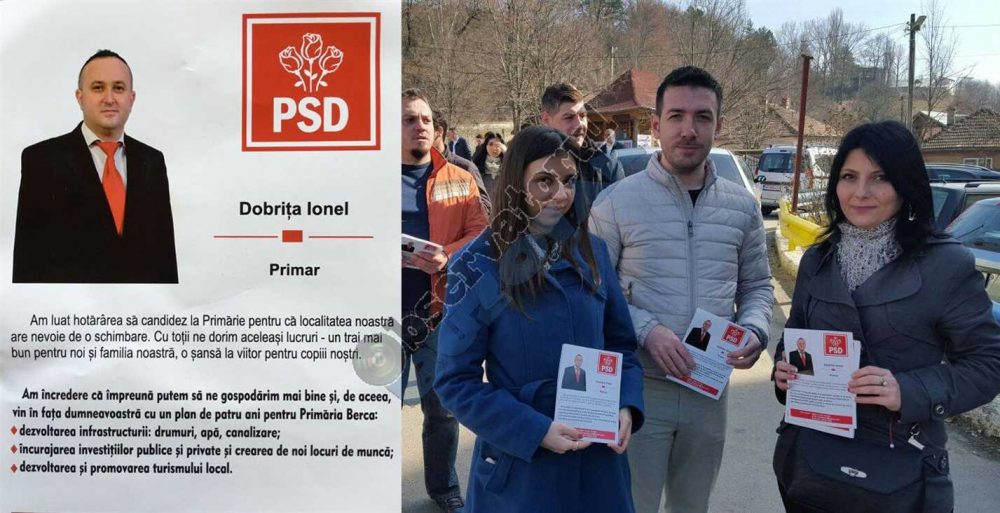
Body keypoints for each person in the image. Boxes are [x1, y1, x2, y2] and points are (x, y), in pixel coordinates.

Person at [771, 120, 1000, 513]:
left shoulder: (946, 264)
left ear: (905, 184)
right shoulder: (818, 259)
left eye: (879, 178)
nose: (861, 192)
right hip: (813, 465)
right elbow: (795, 338)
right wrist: (783, 372)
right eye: (849, 177)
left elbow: (988, 363)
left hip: (900, 471)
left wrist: (907, 390)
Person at [589, 66, 773, 513]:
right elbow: (593, 292)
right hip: (639, 388)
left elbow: (757, 284)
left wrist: (754, 328)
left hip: (708, 391)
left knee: (692, 505)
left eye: (702, 117)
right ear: (656, 125)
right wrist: (647, 330)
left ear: (717, 124)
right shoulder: (615, 203)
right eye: (676, 116)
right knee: (631, 505)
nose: (689, 129)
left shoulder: (742, 207)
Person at [435, 126, 645, 512]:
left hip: (598, 466)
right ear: (517, 184)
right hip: (522, 470)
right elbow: (455, 381)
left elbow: (621, 347)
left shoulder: (594, 252)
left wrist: (626, 404)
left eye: (569, 181)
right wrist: (535, 430)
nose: (561, 195)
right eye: (545, 181)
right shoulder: (478, 264)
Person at [12, 49, 177, 283]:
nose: (109, 98)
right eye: (98, 87)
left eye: (118, 88)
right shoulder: (41, 160)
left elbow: (165, 257)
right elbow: (27, 260)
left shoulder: (152, 161)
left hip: (139, 305)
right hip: (71, 304)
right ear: (80, 97)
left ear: (131, 98)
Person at [400, 88, 487, 513]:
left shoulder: (460, 178)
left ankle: (443, 487)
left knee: (442, 409)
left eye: (426, 120)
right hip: (382, 318)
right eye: (409, 119)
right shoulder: (365, 181)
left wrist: (447, 255)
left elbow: (482, 233)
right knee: (374, 409)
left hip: (438, 311)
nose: (420, 126)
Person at [540, 83, 624, 213]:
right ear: (546, 120)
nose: (580, 124)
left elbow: (623, 216)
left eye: (582, 116)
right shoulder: (530, 167)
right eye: (569, 117)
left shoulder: (607, 165)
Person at [431, 110, 491, 213]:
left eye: (425, 127)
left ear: (439, 132)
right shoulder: (413, 169)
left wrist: (456, 215)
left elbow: (485, 206)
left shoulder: (466, 168)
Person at [471, 132, 506, 200]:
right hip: (485, 201)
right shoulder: (478, 164)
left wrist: (506, 153)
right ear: (486, 146)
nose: (494, 148)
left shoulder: (507, 163)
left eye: (497, 145)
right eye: (490, 144)